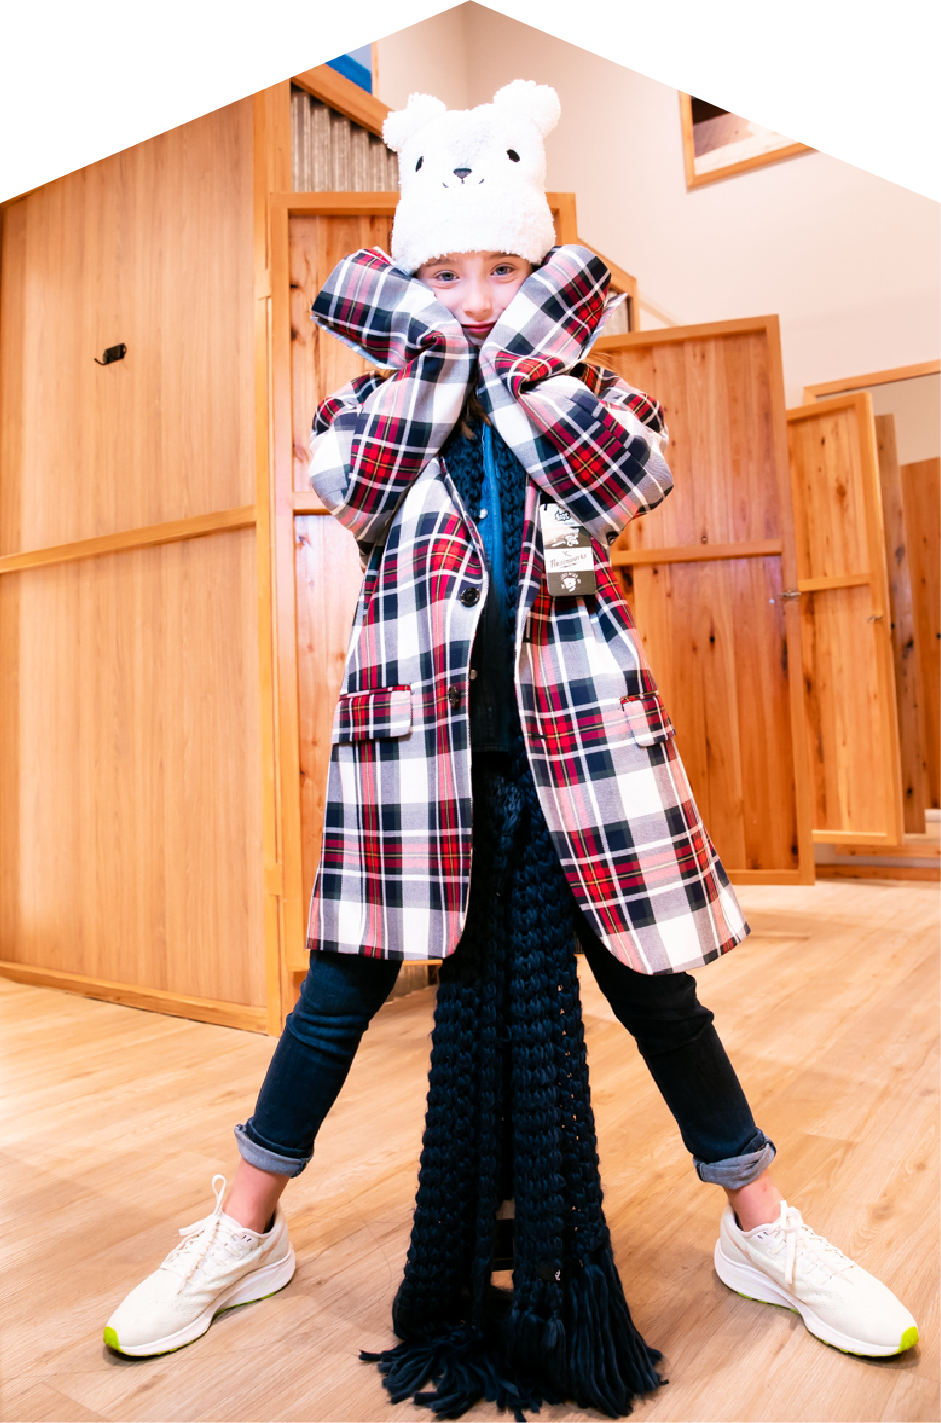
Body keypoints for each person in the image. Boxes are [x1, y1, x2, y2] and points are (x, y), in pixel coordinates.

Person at [104, 83, 917, 1395]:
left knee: (656, 993)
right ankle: (242, 1231)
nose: (474, 297)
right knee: (338, 993)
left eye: (501, 270)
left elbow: (630, 481)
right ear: (408, 282)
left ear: (538, 274)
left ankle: (762, 1227)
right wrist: (438, 364)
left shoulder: (591, 398)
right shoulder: (370, 409)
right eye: (443, 273)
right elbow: (349, 487)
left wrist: (525, 368)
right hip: (417, 770)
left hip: (575, 763)